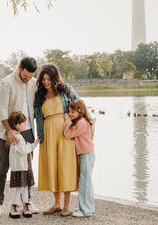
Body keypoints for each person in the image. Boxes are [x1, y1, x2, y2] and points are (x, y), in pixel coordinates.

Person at [0, 57, 39, 217]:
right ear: (19, 68)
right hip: (7, 130)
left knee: (27, 170)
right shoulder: (6, 83)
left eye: (30, 77)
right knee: (2, 168)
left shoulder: (33, 83)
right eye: (25, 76)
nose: (27, 80)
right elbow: (1, 110)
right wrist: (9, 130)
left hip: (28, 131)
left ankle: (27, 202)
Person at [34, 64, 79, 217]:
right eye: (43, 79)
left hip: (65, 134)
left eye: (48, 79)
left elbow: (80, 105)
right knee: (52, 167)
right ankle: (57, 203)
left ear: (55, 79)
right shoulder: (40, 95)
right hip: (47, 135)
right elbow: (36, 115)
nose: (45, 82)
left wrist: (87, 124)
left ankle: (67, 205)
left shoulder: (66, 90)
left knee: (65, 167)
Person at [63, 99, 95, 218]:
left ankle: (85, 210)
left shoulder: (81, 122)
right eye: (69, 112)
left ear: (80, 111)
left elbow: (67, 134)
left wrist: (67, 120)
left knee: (84, 183)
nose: (70, 114)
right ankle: (88, 208)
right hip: (87, 154)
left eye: (72, 112)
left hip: (86, 155)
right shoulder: (85, 120)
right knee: (87, 183)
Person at [6, 111, 40, 219]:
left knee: (25, 187)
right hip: (21, 167)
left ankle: (25, 207)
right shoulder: (18, 137)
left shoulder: (17, 136)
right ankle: (13, 207)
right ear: (16, 125)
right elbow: (23, 151)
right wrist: (34, 145)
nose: (25, 125)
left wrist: (33, 144)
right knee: (20, 188)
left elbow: (24, 148)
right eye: (23, 123)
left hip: (22, 166)